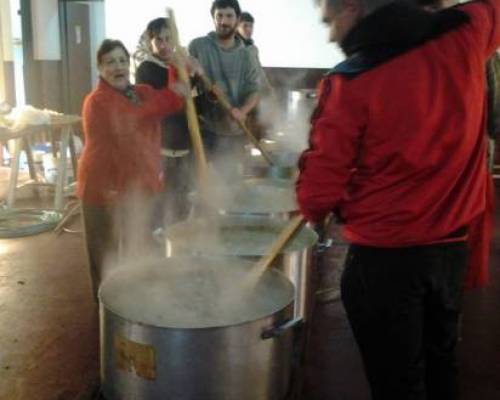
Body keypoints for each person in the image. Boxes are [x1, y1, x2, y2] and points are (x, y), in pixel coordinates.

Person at [296, 1, 499, 399]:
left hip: (383, 264)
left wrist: (313, 201)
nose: (330, 35)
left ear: (354, 9)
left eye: (329, 21)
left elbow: (317, 194)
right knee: (441, 365)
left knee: (397, 384)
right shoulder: (465, 33)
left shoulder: (350, 83)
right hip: (450, 253)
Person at [77, 39, 185, 300]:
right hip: (102, 189)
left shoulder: (142, 92)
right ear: (100, 68)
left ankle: (131, 305)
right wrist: (177, 79)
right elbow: (139, 114)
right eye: (110, 62)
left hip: (136, 187)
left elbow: (174, 101)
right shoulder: (97, 101)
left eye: (123, 61)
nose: (118, 67)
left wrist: (178, 65)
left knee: (137, 247)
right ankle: (106, 312)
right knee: (106, 255)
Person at [188, 0, 260, 178]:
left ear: (237, 19)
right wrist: (189, 69)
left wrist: (243, 111)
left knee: (231, 186)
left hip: (234, 132)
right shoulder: (198, 46)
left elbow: (255, 91)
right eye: (219, 16)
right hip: (204, 130)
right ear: (213, 18)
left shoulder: (247, 55)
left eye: (229, 16)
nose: (223, 21)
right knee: (202, 187)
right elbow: (186, 86)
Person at [134, 17, 193, 226]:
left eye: (169, 39)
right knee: (160, 201)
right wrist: (174, 91)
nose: (165, 45)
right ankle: (159, 246)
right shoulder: (147, 70)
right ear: (150, 42)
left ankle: (178, 243)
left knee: (181, 199)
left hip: (184, 146)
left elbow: (193, 104)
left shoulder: (183, 67)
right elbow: (150, 107)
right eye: (159, 40)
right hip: (161, 147)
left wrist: (197, 77)